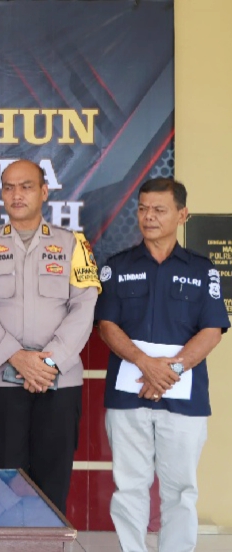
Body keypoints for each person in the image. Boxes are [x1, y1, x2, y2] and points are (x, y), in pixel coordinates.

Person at [0, 159, 100, 514]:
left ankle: (49, 541)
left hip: (59, 380)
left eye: (26, 186)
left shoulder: (73, 245)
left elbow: (84, 305)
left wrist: (48, 362)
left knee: (53, 480)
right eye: (8, 187)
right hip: (2, 383)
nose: (16, 194)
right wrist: (17, 357)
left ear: (44, 191)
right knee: (2, 482)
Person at [95, 178, 228, 552]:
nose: (148, 216)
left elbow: (212, 331)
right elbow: (106, 326)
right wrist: (145, 364)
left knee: (181, 490)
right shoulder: (117, 266)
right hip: (128, 397)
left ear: (182, 215)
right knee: (129, 486)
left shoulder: (203, 270)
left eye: (159, 209)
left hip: (184, 399)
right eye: (142, 209)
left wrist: (172, 371)